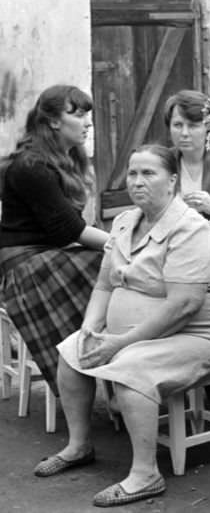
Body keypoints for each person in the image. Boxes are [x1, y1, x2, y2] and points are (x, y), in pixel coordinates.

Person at [32, 144, 210, 507]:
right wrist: (93, 329)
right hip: (135, 336)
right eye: (133, 173)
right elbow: (105, 284)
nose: (137, 182)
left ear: (172, 181)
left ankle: (146, 474)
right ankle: (79, 446)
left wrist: (121, 342)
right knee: (73, 348)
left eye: (148, 173)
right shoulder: (125, 221)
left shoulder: (190, 229)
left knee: (132, 368)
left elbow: (183, 306)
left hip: (195, 336)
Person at [0, 85, 108, 393]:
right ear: (54, 122)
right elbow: (69, 230)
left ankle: (112, 366)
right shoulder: (32, 165)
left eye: (88, 114)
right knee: (108, 267)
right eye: (78, 115)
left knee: (112, 268)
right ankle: (94, 364)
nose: (88, 122)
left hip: (49, 251)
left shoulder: (66, 157)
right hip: (23, 262)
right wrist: (120, 244)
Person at [164, 89, 210, 219]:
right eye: (178, 125)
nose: (184, 133)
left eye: (193, 126)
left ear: (208, 127)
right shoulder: (163, 162)